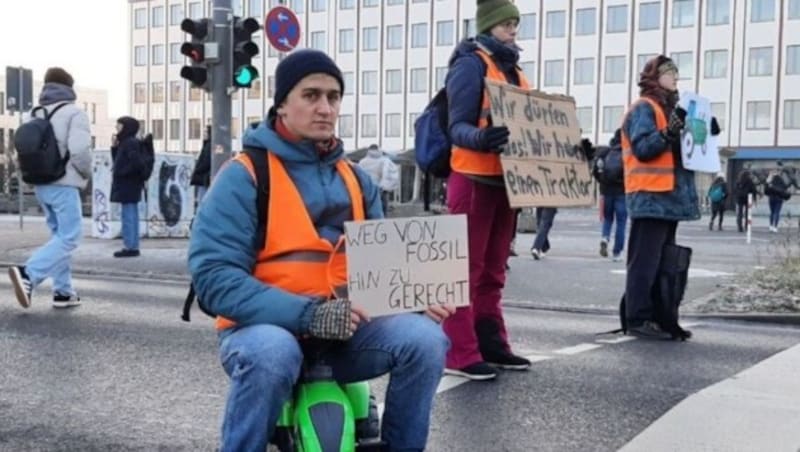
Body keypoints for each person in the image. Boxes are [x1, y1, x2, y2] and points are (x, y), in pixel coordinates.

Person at [187, 49, 454, 452]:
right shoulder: (244, 176)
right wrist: (309, 314)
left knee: (426, 340)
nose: (325, 108)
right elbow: (214, 282)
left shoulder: (358, 180)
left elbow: (380, 273)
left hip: (347, 333)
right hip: (264, 330)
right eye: (311, 95)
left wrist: (414, 298)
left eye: (333, 97)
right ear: (281, 104)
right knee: (271, 355)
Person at [440, 0, 533, 380]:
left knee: (494, 268)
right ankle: (458, 352)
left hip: (505, 182)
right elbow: (455, 125)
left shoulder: (514, 71)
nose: (513, 30)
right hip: (474, 179)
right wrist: (481, 137)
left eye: (515, 23)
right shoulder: (471, 64)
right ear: (488, 25)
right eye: (506, 24)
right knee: (465, 269)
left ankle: (490, 340)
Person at [620, 55, 720, 340]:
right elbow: (643, 148)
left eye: (676, 73)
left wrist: (706, 134)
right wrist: (669, 132)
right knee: (645, 262)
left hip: (668, 197)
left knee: (663, 262)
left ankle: (660, 316)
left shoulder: (676, 109)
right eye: (669, 73)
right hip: (650, 195)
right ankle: (638, 317)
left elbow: (687, 151)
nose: (675, 77)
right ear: (655, 78)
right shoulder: (644, 108)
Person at [7, 67, 91, 309]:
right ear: (69, 88)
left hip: (41, 184)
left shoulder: (33, 114)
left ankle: (63, 292)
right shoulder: (74, 114)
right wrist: (84, 174)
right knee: (70, 237)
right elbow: (80, 151)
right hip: (64, 184)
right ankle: (28, 274)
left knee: (59, 237)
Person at [111, 116, 146, 258]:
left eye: (119, 125)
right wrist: (114, 148)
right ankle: (132, 245)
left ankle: (130, 246)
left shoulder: (129, 143)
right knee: (130, 214)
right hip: (130, 183)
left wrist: (122, 173)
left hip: (128, 184)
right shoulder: (126, 143)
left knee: (128, 215)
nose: (116, 128)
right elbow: (119, 161)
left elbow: (135, 163)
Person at [593, 129, 627, 261]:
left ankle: (605, 237)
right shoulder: (626, 153)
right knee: (621, 222)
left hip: (606, 192)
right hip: (622, 192)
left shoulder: (605, 152)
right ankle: (617, 253)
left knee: (607, 218)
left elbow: (596, 171)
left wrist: (602, 183)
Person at [357, 143, 399, 216]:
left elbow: (358, 176)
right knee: (383, 211)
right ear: (378, 149)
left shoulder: (362, 162)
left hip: (366, 190)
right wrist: (384, 187)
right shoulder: (385, 160)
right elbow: (389, 175)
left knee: (367, 211)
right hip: (382, 190)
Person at [190, 125, 212, 204]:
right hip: (204, 179)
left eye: (206, 132)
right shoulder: (208, 145)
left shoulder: (209, 146)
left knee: (202, 200)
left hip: (204, 178)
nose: (204, 134)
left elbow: (206, 161)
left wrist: (197, 170)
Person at [765, 165, 789, 232]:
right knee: (777, 212)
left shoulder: (770, 180)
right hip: (779, 198)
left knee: (772, 212)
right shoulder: (781, 180)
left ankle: (770, 226)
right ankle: (775, 227)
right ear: (778, 173)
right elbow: (785, 187)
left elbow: (766, 189)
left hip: (771, 198)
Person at [734, 169, 758, 233]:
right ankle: (746, 226)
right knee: (748, 213)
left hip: (739, 199)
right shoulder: (750, 181)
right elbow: (754, 190)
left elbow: (735, 190)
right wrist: (755, 198)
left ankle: (739, 227)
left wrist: (736, 196)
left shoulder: (738, 181)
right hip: (748, 199)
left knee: (740, 213)